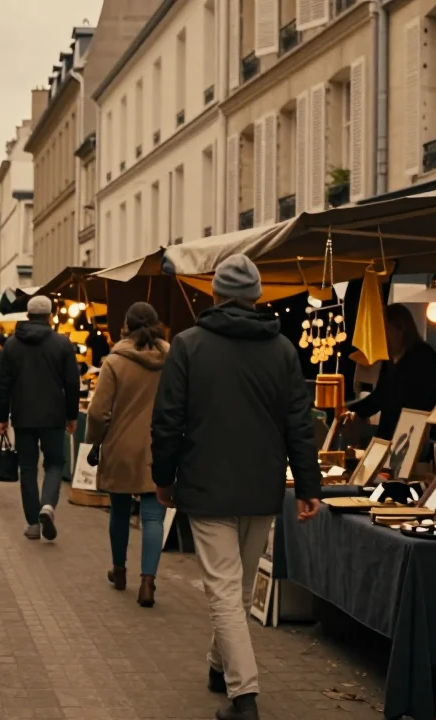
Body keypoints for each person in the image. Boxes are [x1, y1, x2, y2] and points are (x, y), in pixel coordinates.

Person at [151, 254, 322, 720]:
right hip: (261, 484)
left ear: (216, 295)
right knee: (239, 588)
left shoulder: (188, 345)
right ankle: (217, 666)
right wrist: (308, 484)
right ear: (256, 297)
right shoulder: (283, 350)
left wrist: (164, 479)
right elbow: (299, 424)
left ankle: (243, 697)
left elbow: (167, 420)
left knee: (227, 591)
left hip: (206, 485)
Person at [86, 302, 168, 608]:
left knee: (119, 511)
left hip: (120, 446)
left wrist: (95, 439)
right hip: (159, 446)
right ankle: (148, 583)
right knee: (152, 515)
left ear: (125, 327)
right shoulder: (172, 358)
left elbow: (97, 412)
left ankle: (119, 571)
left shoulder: (114, 362)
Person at [0, 294, 80, 541]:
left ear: (28, 315)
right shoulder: (62, 344)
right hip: (54, 415)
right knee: (54, 464)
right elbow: (72, 383)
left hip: (23, 416)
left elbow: (3, 384)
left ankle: (32, 523)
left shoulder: (11, 344)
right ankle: (48, 506)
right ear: (50, 316)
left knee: (28, 468)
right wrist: (72, 414)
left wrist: (2, 417)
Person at [344, 304, 436, 441]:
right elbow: (379, 396)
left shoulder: (423, 356)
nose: (381, 337)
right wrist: (351, 410)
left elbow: (421, 400)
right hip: (388, 434)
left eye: (385, 330)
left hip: (412, 434)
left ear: (400, 329)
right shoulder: (389, 359)